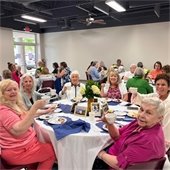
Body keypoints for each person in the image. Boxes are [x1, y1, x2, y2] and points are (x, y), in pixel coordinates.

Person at [0, 79, 56, 169]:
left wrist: (45, 111)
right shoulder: (4, 110)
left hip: (24, 146)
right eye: (9, 90)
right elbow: (19, 131)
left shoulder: (12, 104)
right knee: (52, 152)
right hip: (17, 151)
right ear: (2, 93)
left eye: (15, 89)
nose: (13, 92)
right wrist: (35, 107)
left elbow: (26, 115)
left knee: (46, 146)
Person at [96, 97, 165, 169]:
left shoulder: (148, 140)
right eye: (141, 110)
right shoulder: (140, 123)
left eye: (148, 113)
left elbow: (119, 165)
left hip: (110, 165)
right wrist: (109, 123)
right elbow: (117, 136)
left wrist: (100, 154)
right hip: (111, 155)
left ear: (159, 118)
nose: (141, 115)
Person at [131, 73, 170, 150]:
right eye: (157, 84)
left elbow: (167, 124)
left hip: (162, 133)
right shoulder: (155, 96)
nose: (160, 87)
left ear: (169, 87)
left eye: (163, 85)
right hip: (150, 129)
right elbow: (143, 98)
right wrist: (135, 94)